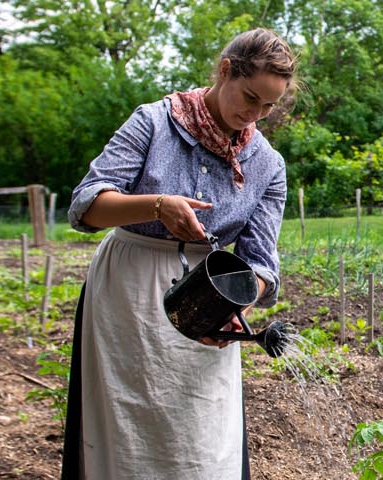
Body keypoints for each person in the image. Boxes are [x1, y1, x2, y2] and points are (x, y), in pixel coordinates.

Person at [61, 28, 295, 480]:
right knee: (127, 428)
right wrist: (154, 205)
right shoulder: (153, 123)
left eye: (268, 106)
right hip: (130, 287)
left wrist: (234, 307)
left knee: (203, 437)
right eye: (250, 98)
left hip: (212, 291)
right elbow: (85, 206)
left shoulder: (268, 164)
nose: (255, 116)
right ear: (225, 71)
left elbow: (261, 264)